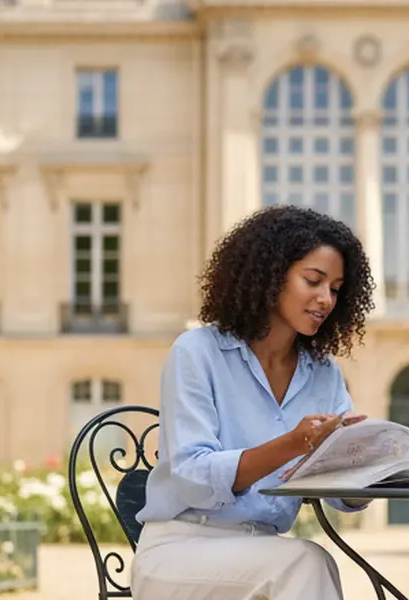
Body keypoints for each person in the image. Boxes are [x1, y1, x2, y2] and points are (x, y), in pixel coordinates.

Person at [132, 205, 377, 600]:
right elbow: (193, 477)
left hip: (264, 550)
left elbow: (339, 495)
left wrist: (372, 466)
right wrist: (295, 443)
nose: (325, 299)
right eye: (313, 280)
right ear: (270, 275)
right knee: (305, 562)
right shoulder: (197, 351)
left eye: (335, 288)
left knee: (306, 561)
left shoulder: (324, 373)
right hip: (180, 549)